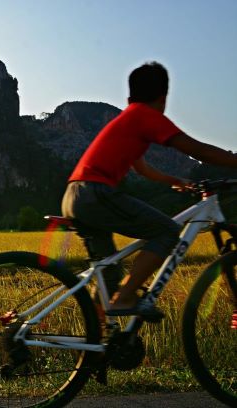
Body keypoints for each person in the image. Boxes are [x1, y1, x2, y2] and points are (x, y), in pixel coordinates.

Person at [62, 61, 237, 321]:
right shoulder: (145, 115)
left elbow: (141, 168)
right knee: (166, 230)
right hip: (94, 193)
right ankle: (125, 297)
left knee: (108, 273)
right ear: (163, 98)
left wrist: (173, 179)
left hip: (75, 196)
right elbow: (198, 151)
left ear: (129, 97)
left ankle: (93, 351)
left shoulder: (129, 119)